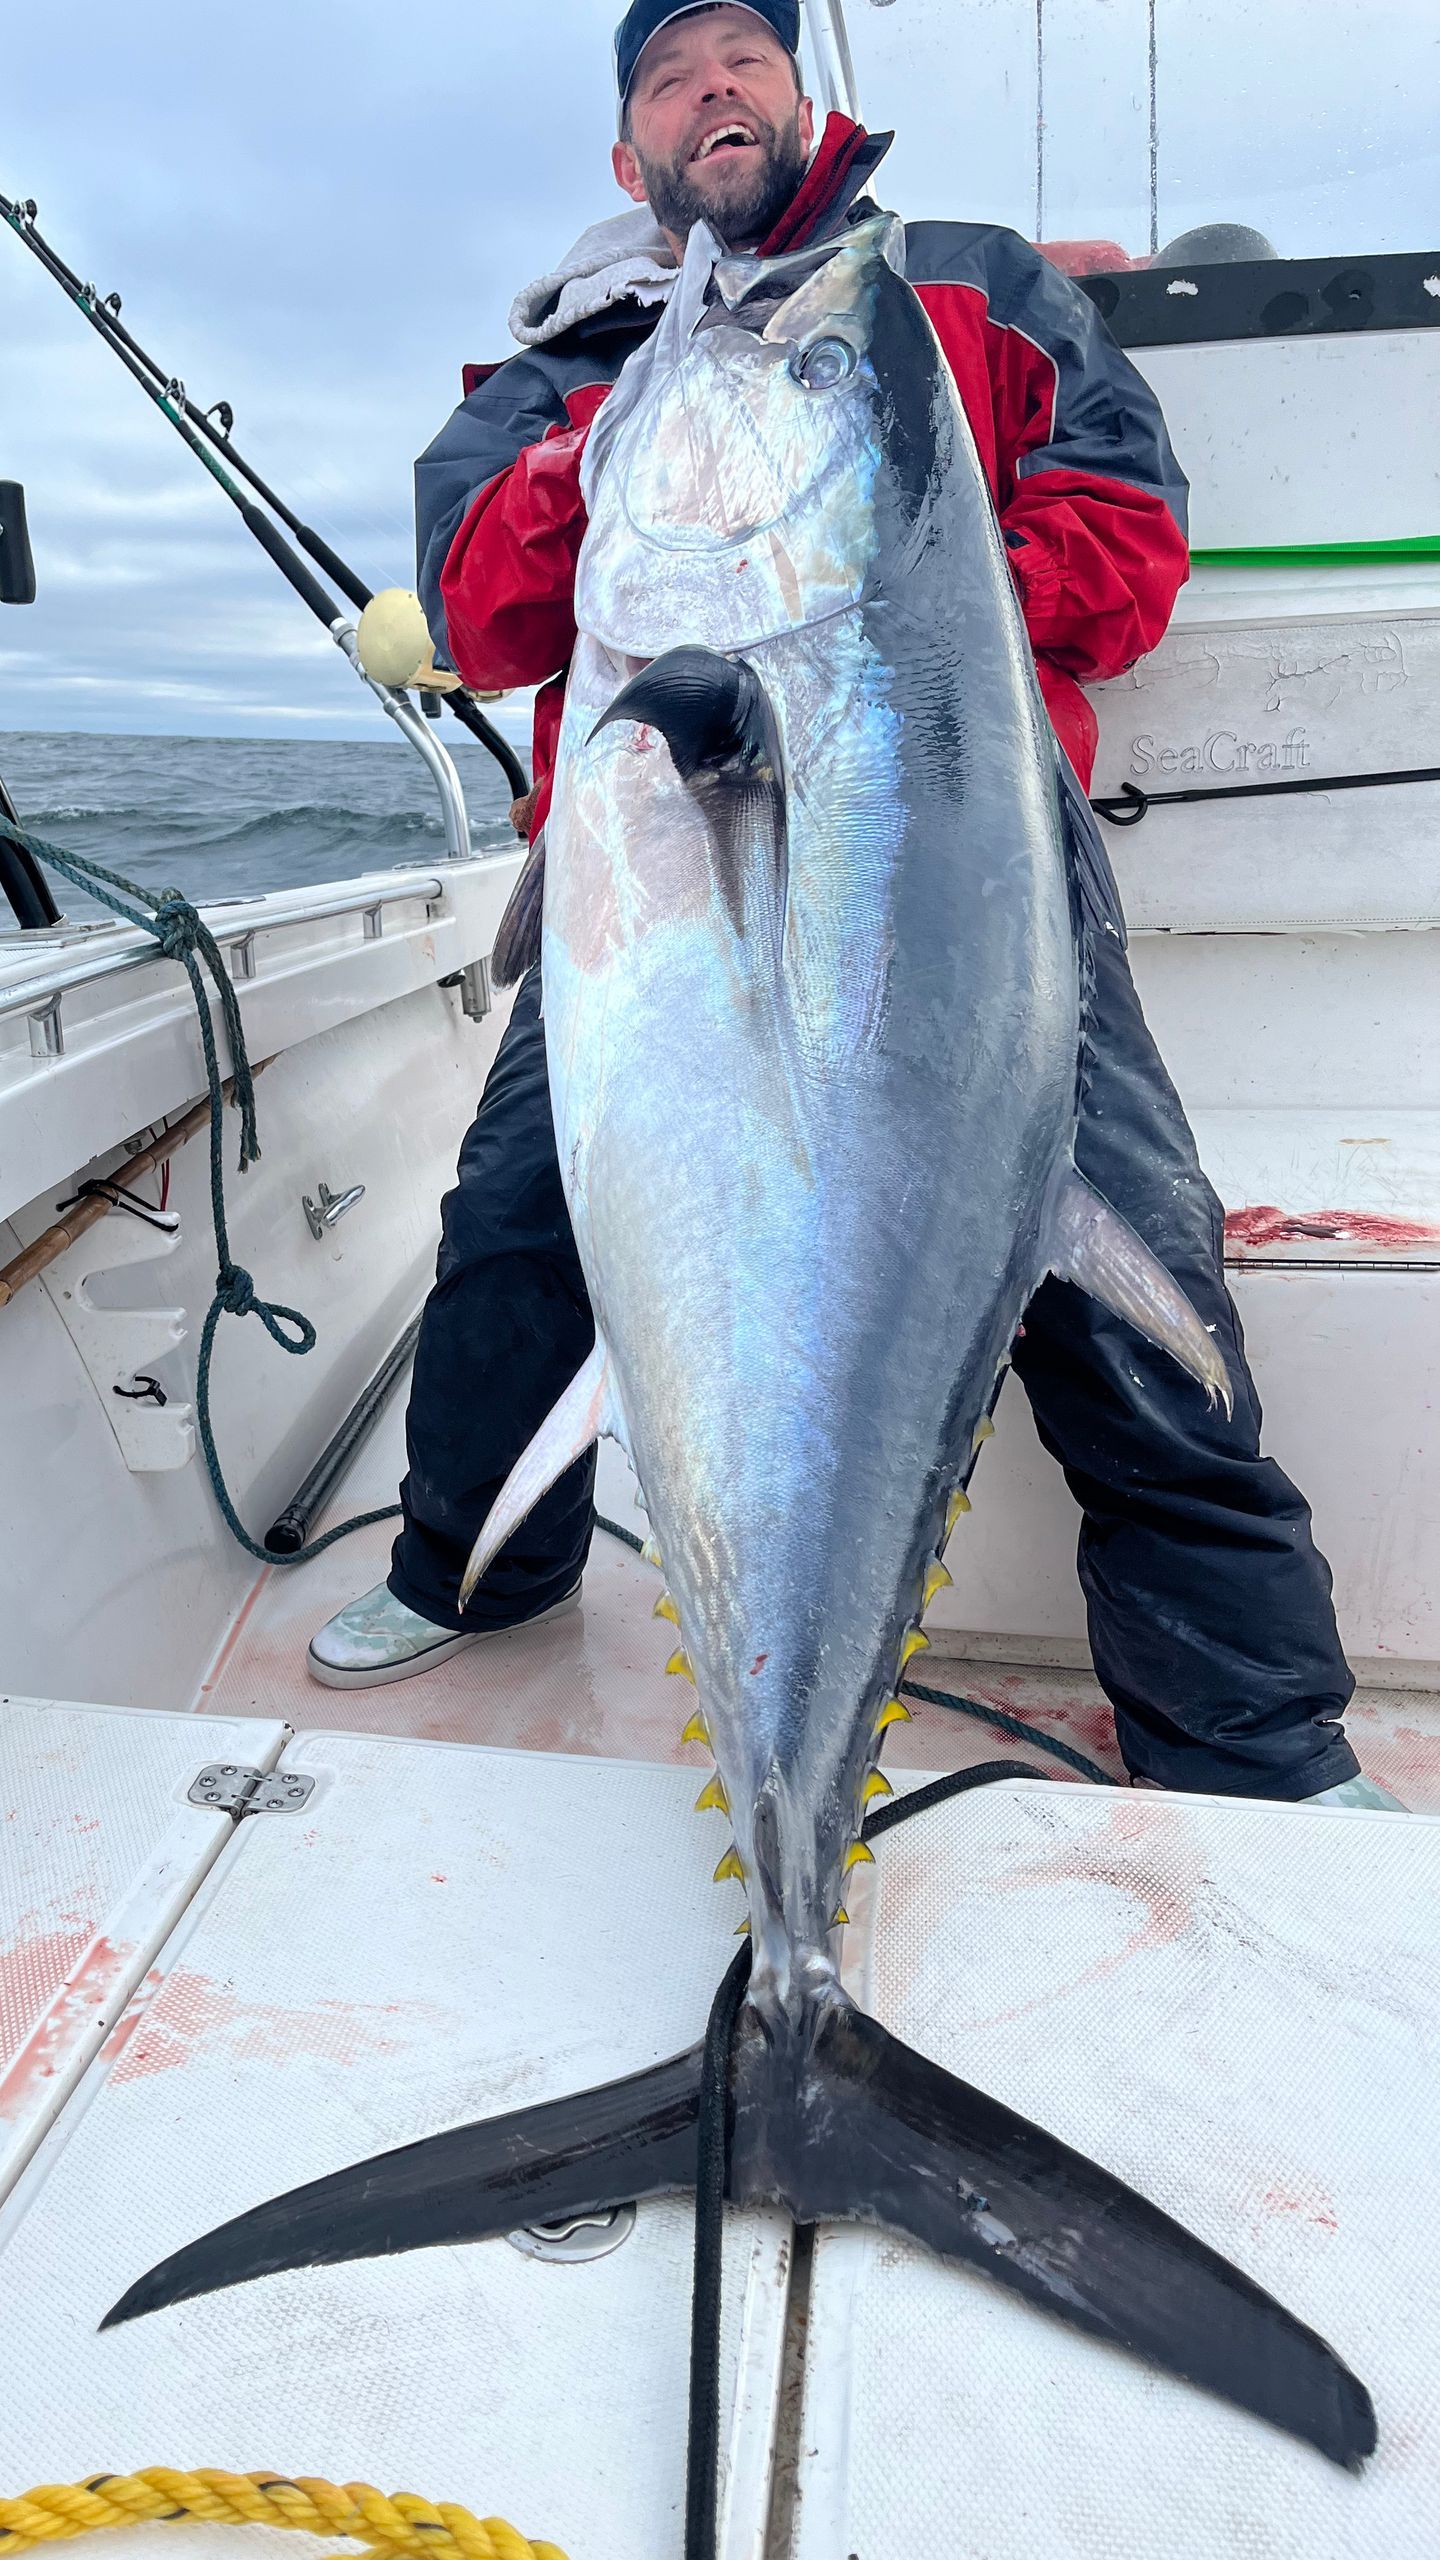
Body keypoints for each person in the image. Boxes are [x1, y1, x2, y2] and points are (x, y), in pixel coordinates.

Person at [309, 0, 1397, 1811]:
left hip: (983, 870)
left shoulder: (953, 289)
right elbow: (482, 608)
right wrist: (587, 475)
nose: (711, 87)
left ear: (808, 99)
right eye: (669, 75)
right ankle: (476, 1572)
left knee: (1127, 1253)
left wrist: (904, 591)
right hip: (654, 905)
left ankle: (1253, 1732)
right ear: (628, 158)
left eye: (743, 55)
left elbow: (1126, 541)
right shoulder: (571, 361)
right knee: (513, 1228)